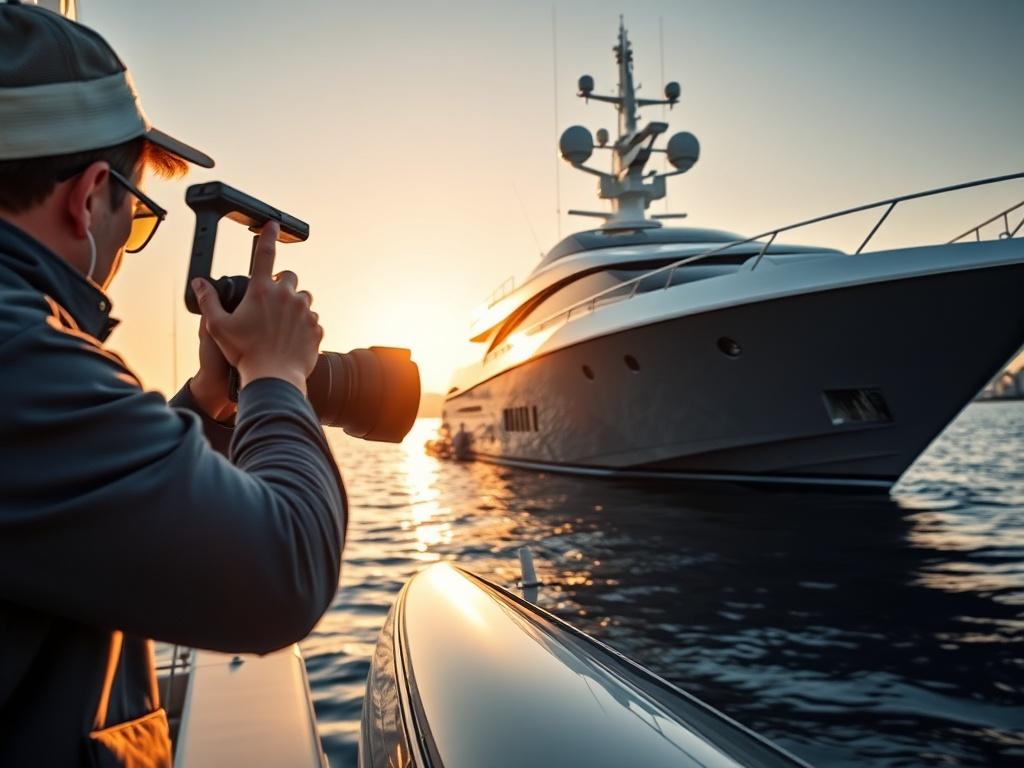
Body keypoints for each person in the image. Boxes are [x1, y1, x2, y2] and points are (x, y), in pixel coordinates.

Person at [0, 4, 345, 765]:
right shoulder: (19, 348)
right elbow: (281, 574)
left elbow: (63, 489)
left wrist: (210, 402)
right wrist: (277, 375)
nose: (127, 242)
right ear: (88, 198)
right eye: (137, 212)